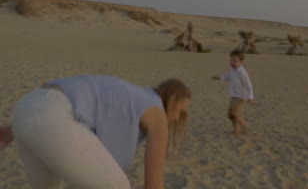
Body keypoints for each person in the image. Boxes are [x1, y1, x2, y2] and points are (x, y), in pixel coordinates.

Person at [0, 75, 191, 189]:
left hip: (26, 109)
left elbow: (46, 107)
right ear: (172, 99)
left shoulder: (132, 97)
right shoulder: (157, 113)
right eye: (180, 112)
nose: (176, 119)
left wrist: (11, 131)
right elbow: (153, 185)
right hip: (52, 118)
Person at [212, 49, 254, 134]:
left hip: (242, 96)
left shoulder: (242, 73)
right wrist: (220, 77)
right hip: (234, 95)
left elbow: (248, 85)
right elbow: (228, 77)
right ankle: (236, 130)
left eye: (235, 61)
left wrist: (250, 97)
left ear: (241, 62)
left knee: (234, 114)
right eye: (231, 61)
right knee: (230, 115)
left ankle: (246, 127)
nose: (232, 63)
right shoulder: (233, 70)